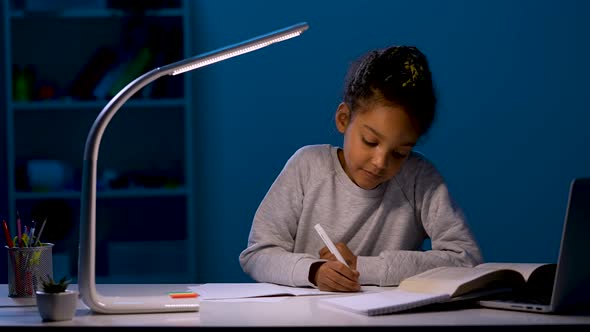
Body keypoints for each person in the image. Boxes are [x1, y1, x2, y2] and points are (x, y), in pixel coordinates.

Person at [239, 45, 483, 292]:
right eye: (370, 141)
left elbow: (466, 259)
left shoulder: (419, 178)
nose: (380, 162)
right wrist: (313, 271)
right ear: (343, 119)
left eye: (400, 153)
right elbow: (257, 254)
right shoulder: (307, 167)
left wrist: (363, 267)